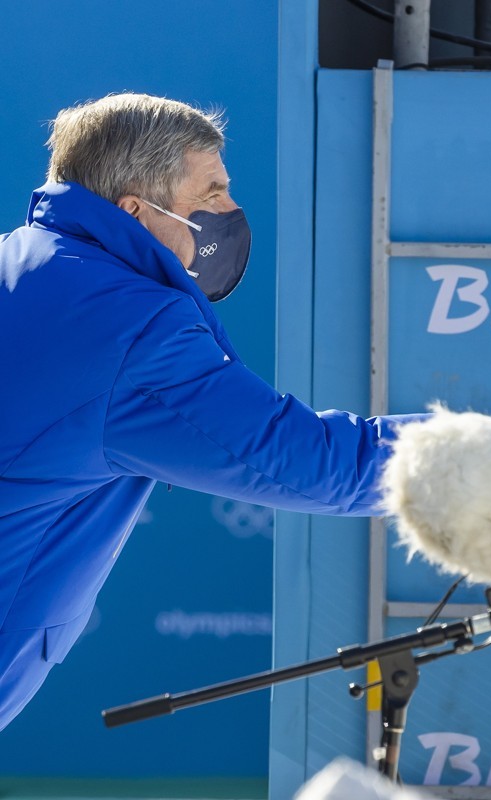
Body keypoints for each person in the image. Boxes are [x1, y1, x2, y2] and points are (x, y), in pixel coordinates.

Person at [0, 93, 427, 730]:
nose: (230, 212)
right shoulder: (133, 329)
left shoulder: (20, 261)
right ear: (135, 209)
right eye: (212, 193)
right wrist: (487, 454)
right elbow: (311, 465)